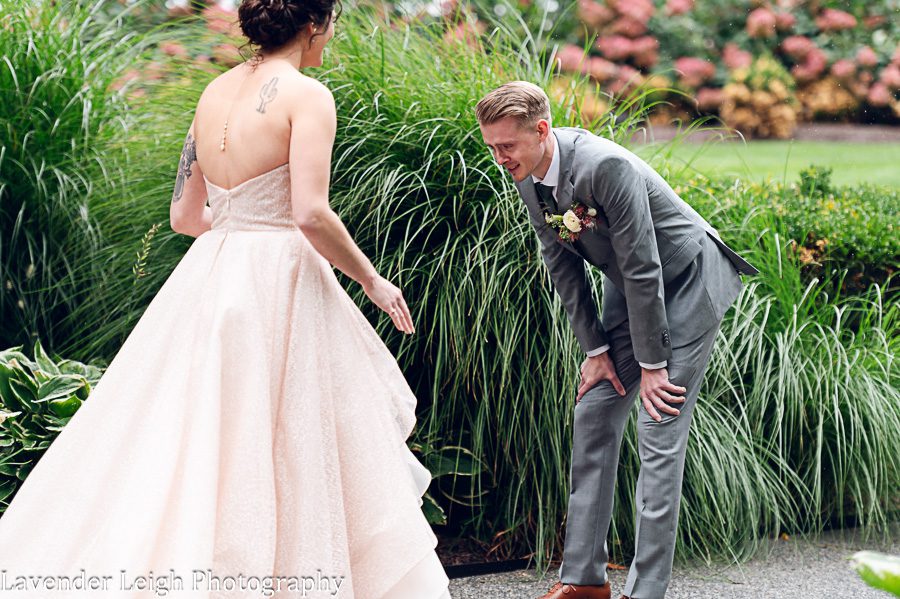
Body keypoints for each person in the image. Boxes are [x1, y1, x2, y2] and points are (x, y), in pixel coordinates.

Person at [0, 1, 451, 597]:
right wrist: (372, 279)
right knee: (288, 436)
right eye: (332, 24)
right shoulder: (307, 95)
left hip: (212, 275)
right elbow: (310, 213)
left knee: (201, 430)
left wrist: (240, 227)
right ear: (315, 25)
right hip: (281, 280)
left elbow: (185, 217)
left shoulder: (213, 91)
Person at [475, 82, 759, 599]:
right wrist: (597, 352)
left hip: (689, 280)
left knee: (659, 423)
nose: (499, 158)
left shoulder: (605, 165)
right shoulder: (525, 175)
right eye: (491, 147)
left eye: (507, 146)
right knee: (595, 410)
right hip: (634, 292)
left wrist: (653, 364)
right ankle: (584, 580)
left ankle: (646, 590)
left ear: (541, 130)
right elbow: (559, 263)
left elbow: (644, 264)